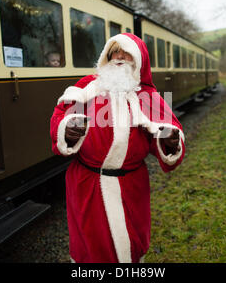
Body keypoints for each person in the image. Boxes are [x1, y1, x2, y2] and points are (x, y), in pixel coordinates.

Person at [50, 33, 185, 263]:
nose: (119, 57)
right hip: (86, 185)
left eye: (127, 53)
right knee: (89, 249)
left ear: (139, 61)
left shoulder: (149, 97)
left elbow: (168, 130)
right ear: (106, 57)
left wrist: (170, 141)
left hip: (130, 187)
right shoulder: (86, 87)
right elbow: (60, 115)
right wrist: (66, 129)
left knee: (131, 244)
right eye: (115, 52)